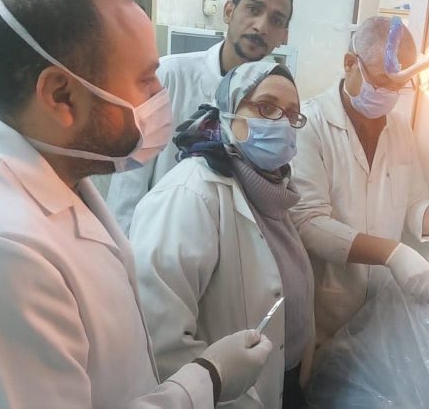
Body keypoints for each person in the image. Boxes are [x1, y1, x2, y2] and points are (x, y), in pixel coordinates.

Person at [0, 0, 272, 408]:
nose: (160, 96)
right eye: (146, 79)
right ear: (61, 96)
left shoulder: (50, 166)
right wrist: (206, 380)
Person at [131, 62, 313, 409]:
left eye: (292, 115)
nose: (282, 123)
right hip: (224, 398)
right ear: (227, 113)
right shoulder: (189, 195)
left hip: (281, 382)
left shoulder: (272, 191)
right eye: (266, 107)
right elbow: (159, 339)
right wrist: (223, 393)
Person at [290, 16, 429, 346]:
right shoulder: (309, 125)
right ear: (349, 64)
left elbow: (414, 207)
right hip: (324, 313)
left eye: (400, 85)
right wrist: (391, 253)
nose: (389, 94)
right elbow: (308, 222)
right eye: (383, 81)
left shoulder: (399, 129)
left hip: (380, 315)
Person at [107, 0, 293, 233]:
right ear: (229, 11)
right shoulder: (170, 77)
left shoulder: (274, 102)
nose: (261, 26)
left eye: (276, 21)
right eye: (253, 9)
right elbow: (128, 184)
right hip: (157, 238)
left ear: (284, 36)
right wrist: (127, 252)